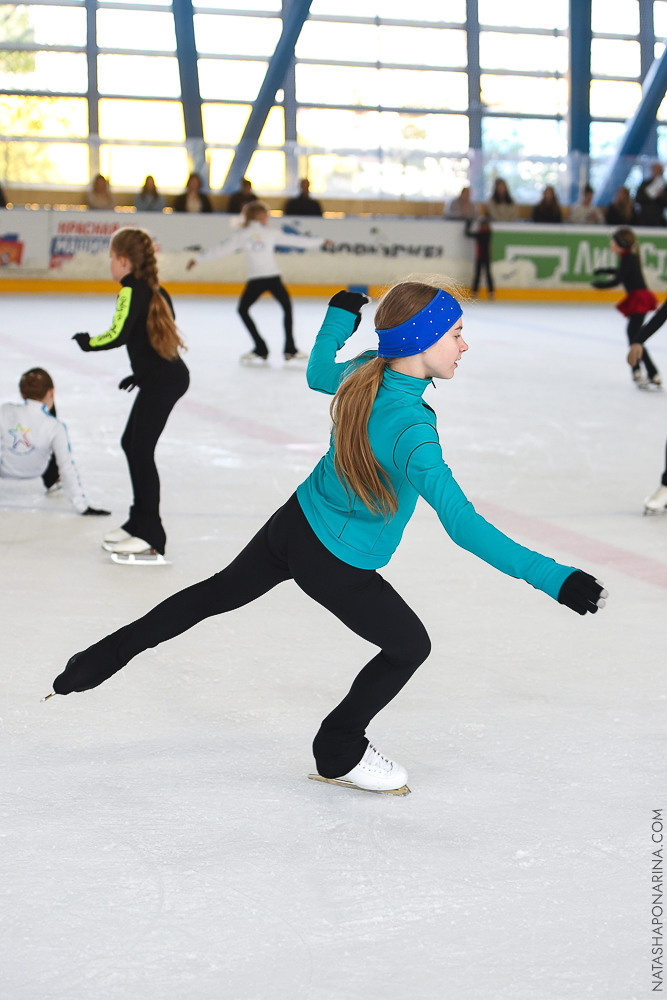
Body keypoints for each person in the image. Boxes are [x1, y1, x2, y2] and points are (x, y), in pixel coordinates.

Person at [47, 280, 608, 795]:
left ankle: (93, 662)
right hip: (335, 559)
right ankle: (339, 749)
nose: (465, 346)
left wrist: (342, 314)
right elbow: (464, 527)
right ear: (423, 340)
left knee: (211, 596)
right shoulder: (413, 432)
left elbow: (319, 370)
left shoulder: (368, 369)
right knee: (410, 647)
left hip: (294, 521)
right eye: (457, 334)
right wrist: (553, 578)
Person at [72, 228, 190, 563]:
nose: (109, 264)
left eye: (111, 258)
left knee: (140, 451)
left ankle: (151, 533)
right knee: (131, 444)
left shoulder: (130, 291)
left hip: (164, 381)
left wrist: (87, 342)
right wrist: (142, 373)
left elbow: (119, 333)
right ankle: (138, 520)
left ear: (124, 261)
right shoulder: (156, 290)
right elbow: (150, 335)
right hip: (162, 378)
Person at [186, 200, 331, 364]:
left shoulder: (241, 235)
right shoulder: (269, 233)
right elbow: (296, 240)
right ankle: (289, 348)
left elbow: (220, 250)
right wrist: (320, 240)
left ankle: (261, 347)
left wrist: (197, 259)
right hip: (272, 277)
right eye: (266, 215)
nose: (268, 218)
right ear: (260, 216)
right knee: (286, 308)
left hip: (256, 279)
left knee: (243, 310)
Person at [0, 367, 109, 516]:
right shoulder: (55, 427)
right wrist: (82, 506)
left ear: (22, 393)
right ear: (51, 393)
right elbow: (66, 467)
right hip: (36, 478)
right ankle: (53, 482)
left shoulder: (5, 411)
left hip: (4, 479)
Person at [591, 227, 660, 388]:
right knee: (635, 335)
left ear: (620, 244)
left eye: (613, 241)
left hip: (639, 299)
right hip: (639, 297)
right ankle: (649, 372)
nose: (611, 243)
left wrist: (600, 285)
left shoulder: (628, 258)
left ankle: (644, 371)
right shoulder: (628, 258)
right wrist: (605, 270)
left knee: (635, 336)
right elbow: (622, 273)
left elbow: (617, 280)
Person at [464, 208, 494, 298]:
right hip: (482, 256)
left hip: (482, 256)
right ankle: (485, 292)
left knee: (483, 274)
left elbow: (467, 233)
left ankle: (484, 292)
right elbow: (468, 234)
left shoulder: (482, 233)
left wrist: (468, 224)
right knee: (481, 274)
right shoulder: (485, 233)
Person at [635, 162, 667, 227]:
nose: (658, 172)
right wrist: (650, 196)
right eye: (656, 170)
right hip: (644, 217)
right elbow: (638, 198)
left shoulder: (664, 186)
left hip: (658, 218)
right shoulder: (645, 184)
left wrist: (660, 196)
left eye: (660, 170)